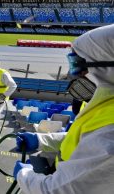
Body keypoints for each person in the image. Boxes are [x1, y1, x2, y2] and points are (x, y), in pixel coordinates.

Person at [13, 24, 114, 193]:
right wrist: (41, 140)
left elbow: (58, 190)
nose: (74, 74)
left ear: (106, 68)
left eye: (77, 64)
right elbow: (88, 139)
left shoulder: (110, 135)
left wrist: (24, 175)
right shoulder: (106, 106)